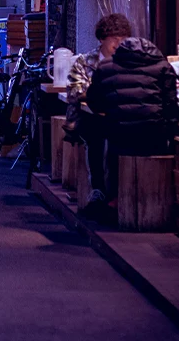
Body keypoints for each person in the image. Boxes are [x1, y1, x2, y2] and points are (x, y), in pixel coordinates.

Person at [86, 37, 178, 204]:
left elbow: (94, 102)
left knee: (97, 133)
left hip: (118, 133)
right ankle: (155, 201)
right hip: (154, 133)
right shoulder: (164, 67)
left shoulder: (105, 66)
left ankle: (107, 195)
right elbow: (171, 106)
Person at [65, 14, 132, 218]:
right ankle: (99, 190)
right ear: (102, 38)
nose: (119, 44)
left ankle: (118, 194)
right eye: (114, 39)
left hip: (120, 117)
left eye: (123, 39)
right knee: (97, 134)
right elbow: (75, 92)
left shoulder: (130, 60)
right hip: (87, 117)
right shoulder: (85, 62)